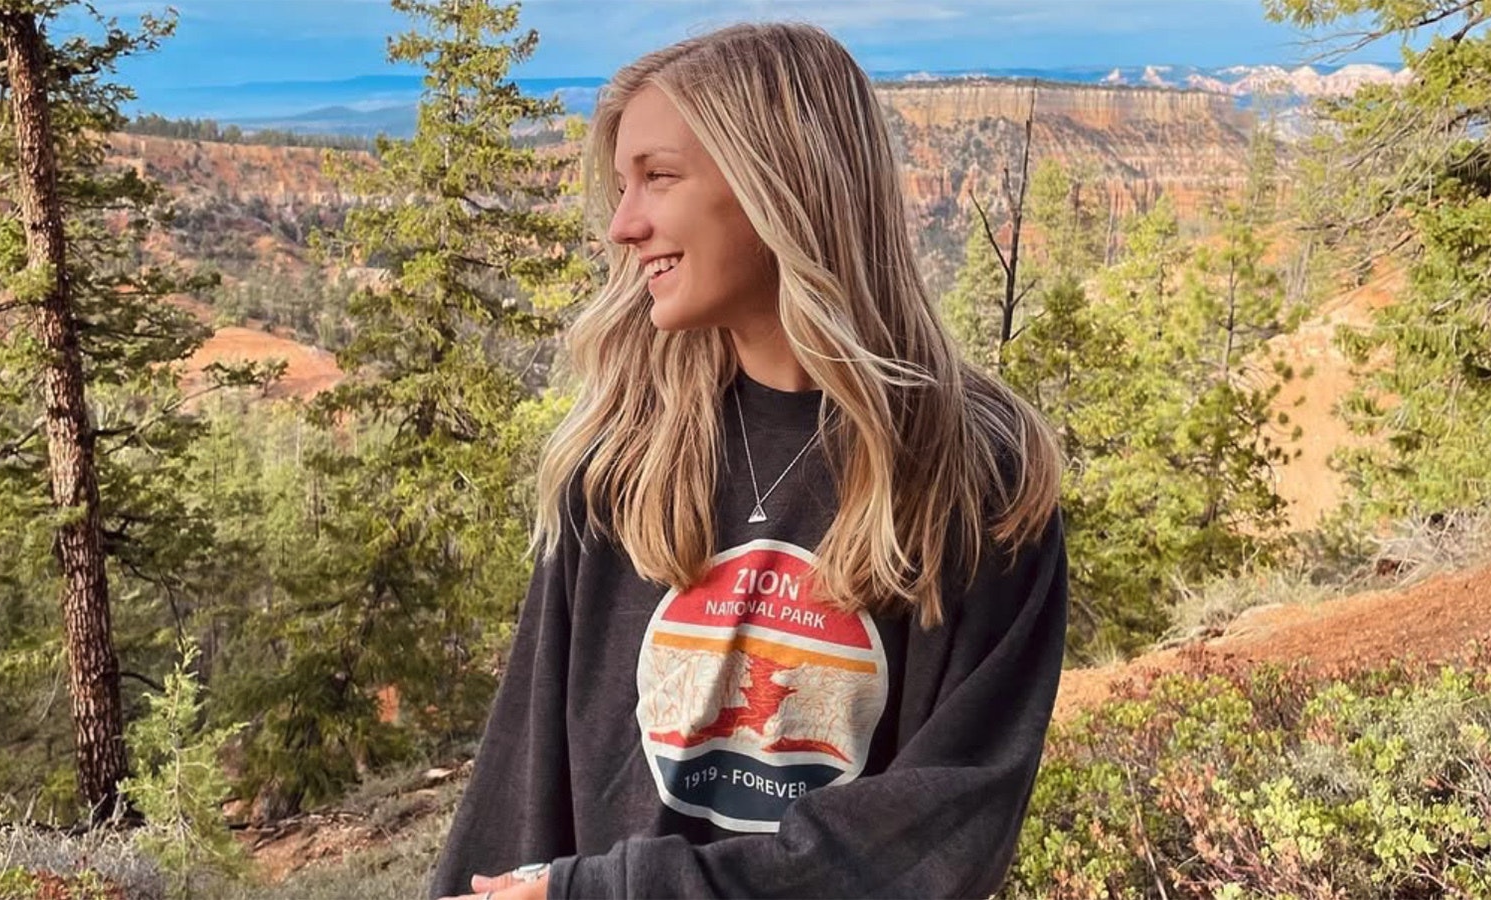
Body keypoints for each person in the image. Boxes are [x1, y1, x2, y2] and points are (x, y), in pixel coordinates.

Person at [430, 21, 1067, 900]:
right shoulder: (621, 463)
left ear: (781, 184)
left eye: (658, 177)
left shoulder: (972, 477)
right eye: (621, 185)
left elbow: (942, 834)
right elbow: (528, 766)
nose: (623, 225)